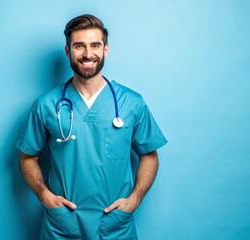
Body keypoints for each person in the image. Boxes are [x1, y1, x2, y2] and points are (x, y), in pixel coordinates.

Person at [16, 14, 167, 240]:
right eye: (79, 46)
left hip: (115, 225)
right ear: (68, 52)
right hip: (63, 226)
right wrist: (44, 195)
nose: (88, 54)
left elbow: (149, 155)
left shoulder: (132, 103)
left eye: (95, 45)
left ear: (105, 49)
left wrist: (134, 199)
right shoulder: (47, 104)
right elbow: (27, 158)